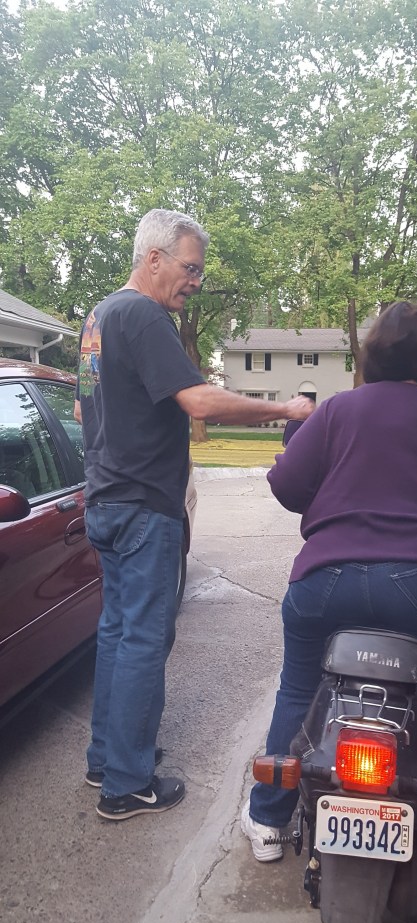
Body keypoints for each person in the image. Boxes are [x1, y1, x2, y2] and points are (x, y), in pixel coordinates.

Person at [242, 300, 417, 887]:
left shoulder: (336, 411)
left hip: (326, 584)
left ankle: (269, 821)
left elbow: (287, 487)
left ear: (370, 356)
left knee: (299, 691)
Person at [76, 208, 313, 822]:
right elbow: (200, 401)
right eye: (190, 267)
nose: (196, 281)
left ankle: (107, 757)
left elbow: (82, 411)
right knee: (144, 639)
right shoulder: (143, 315)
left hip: (103, 498)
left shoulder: (97, 318)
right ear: (154, 258)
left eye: (200, 272)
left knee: (116, 632)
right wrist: (286, 410)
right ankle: (127, 784)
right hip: (143, 505)